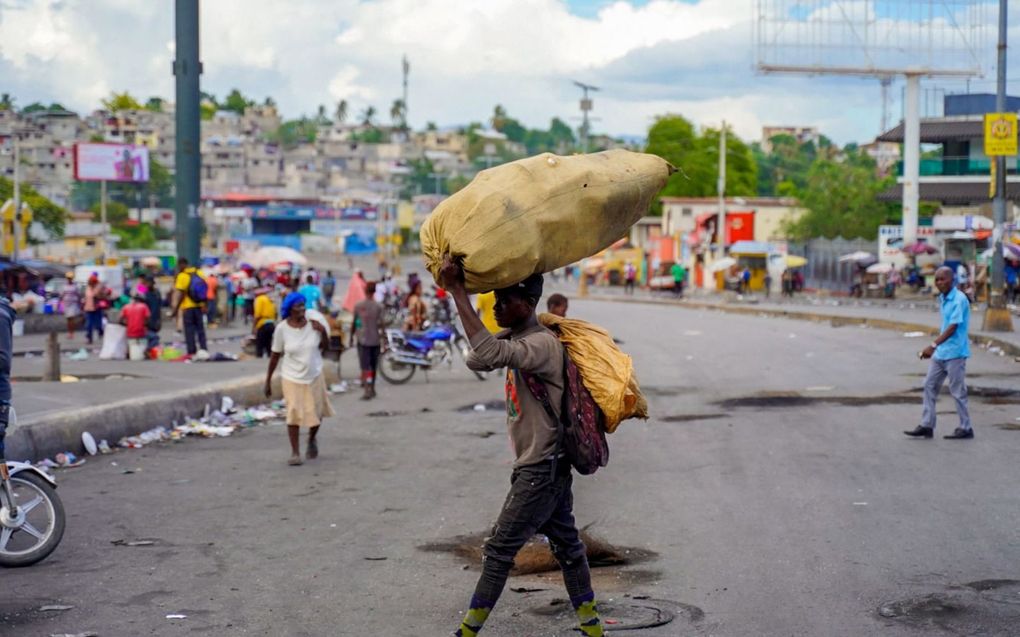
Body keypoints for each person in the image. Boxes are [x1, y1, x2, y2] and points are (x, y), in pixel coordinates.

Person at [438, 261, 604, 637]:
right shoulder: (518, 339)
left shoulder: (541, 345)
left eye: (503, 301)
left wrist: (458, 293)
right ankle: (592, 626)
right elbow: (476, 357)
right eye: (495, 300)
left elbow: (489, 354)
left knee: (498, 552)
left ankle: (466, 632)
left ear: (527, 304)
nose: (496, 307)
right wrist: (492, 325)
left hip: (540, 471)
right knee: (568, 547)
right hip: (548, 467)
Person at [904, 266, 973, 440]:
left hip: (955, 352)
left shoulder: (959, 299)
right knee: (929, 385)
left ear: (952, 280)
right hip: (941, 353)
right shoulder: (943, 298)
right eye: (937, 279)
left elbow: (953, 327)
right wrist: (936, 348)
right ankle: (927, 425)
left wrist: (933, 345)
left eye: (943, 279)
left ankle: (966, 428)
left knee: (957, 391)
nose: (939, 283)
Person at [264, 293, 332, 465]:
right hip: (291, 376)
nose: (302, 309)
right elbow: (275, 355)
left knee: (317, 412)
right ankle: (295, 452)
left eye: (303, 305)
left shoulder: (314, 325)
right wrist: (268, 381)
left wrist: (323, 332)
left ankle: (311, 439)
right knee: (293, 412)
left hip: (314, 374)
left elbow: (326, 347)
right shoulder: (281, 329)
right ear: (289, 309)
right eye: (298, 306)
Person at [351, 281, 384, 400]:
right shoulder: (379, 306)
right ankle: (372, 388)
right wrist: (384, 340)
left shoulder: (358, 306)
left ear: (365, 291)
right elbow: (381, 325)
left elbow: (354, 323)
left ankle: (367, 389)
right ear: (374, 291)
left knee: (365, 367)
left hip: (363, 340)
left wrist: (351, 337)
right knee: (373, 366)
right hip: (375, 340)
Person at [171, 258, 208, 358]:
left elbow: (182, 294)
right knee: (200, 329)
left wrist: (175, 309)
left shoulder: (182, 276)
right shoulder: (199, 272)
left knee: (189, 330)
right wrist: (205, 304)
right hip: (199, 306)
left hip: (188, 307)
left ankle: (191, 351)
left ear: (180, 265)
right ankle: (204, 349)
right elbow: (205, 289)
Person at [119, 294, 151, 359]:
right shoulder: (144, 306)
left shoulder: (126, 307)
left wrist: (128, 325)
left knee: (130, 340)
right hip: (141, 331)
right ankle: (146, 351)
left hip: (130, 332)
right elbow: (148, 319)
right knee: (154, 337)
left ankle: (129, 352)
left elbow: (120, 320)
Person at [82, 274, 109, 345]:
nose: (91, 283)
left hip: (96, 308)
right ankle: (89, 338)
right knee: (89, 324)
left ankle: (101, 332)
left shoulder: (98, 288)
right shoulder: (87, 288)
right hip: (88, 309)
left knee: (98, 324)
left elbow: (104, 295)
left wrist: (99, 295)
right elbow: (85, 298)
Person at [252, 287, 278, 358]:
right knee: (268, 343)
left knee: (260, 343)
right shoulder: (269, 299)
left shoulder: (259, 299)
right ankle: (269, 356)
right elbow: (275, 313)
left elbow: (258, 315)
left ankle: (259, 356)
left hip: (262, 323)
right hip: (271, 323)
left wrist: (254, 327)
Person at [140, 275, 162, 350]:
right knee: (151, 337)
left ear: (153, 283)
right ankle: (147, 350)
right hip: (146, 319)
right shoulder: (143, 292)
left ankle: (149, 350)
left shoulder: (157, 293)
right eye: (146, 283)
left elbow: (159, 307)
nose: (148, 284)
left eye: (149, 283)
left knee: (153, 335)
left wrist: (159, 320)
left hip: (155, 318)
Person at [59, 272, 82, 339]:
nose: (69, 279)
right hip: (66, 304)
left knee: (72, 318)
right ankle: (69, 332)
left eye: (70, 278)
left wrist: (80, 304)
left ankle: (72, 333)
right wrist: (59, 304)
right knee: (68, 319)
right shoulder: (64, 286)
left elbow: (79, 295)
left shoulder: (75, 286)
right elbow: (61, 295)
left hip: (73, 304)